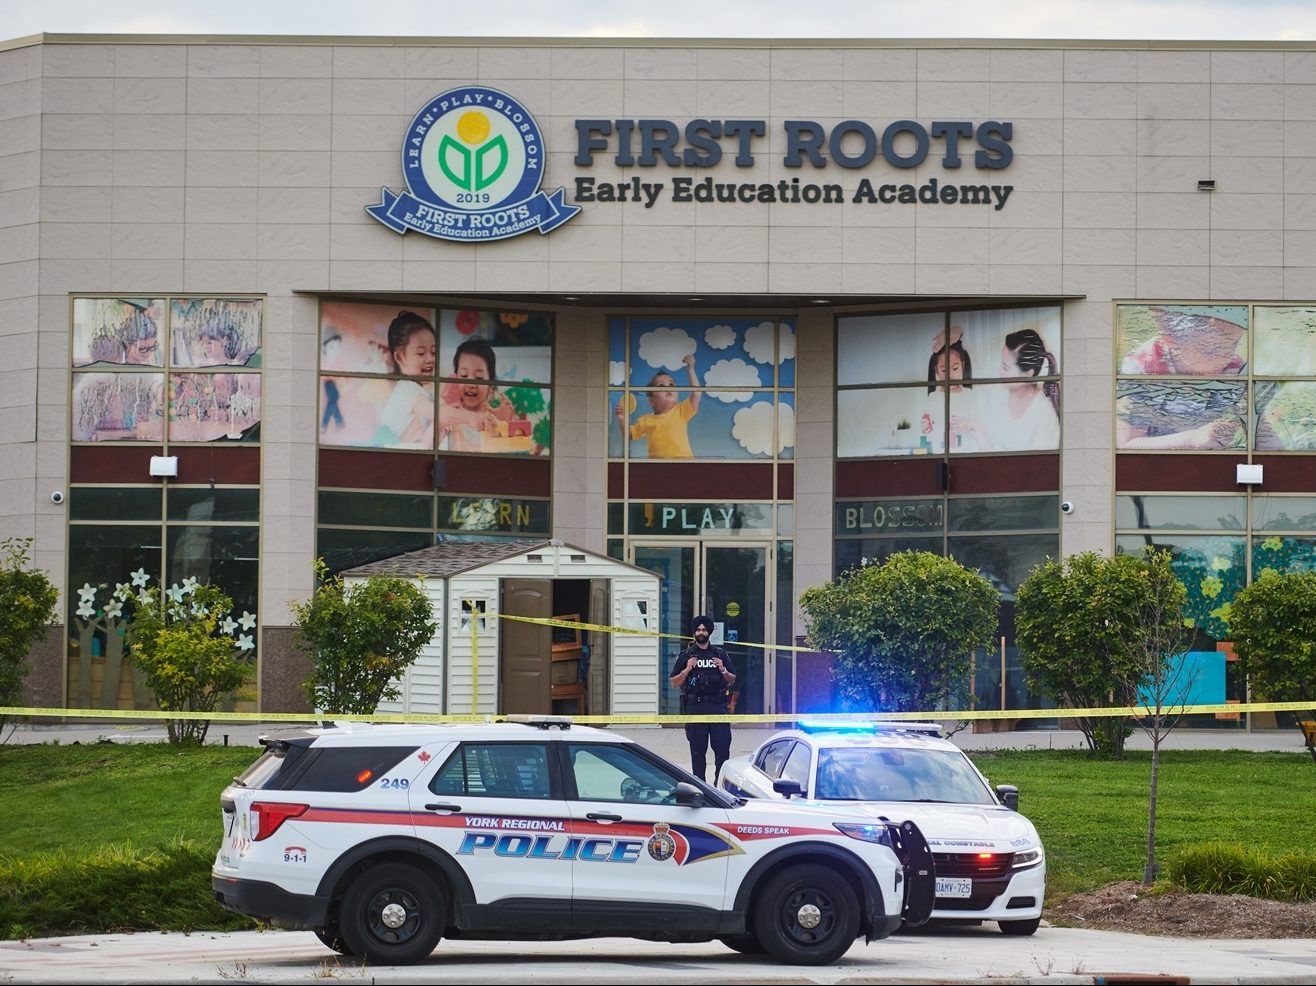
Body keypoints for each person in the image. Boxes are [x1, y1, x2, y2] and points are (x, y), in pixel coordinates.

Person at [669, 614, 736, 783]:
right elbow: (674, 682)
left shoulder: (720, 654)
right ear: (694, 633)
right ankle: (700, 788)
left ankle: (719, 786)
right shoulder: (686, 655)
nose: (701, 632)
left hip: (717, 707)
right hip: (695, 708)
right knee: (698, 752)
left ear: (709, 633)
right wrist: (687, 669)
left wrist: (722, 669)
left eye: (704, 629)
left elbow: (732, 679)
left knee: (722, 750)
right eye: (698, 629)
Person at [615, 354, 701, 458]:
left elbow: (696, 394)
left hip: (683, 462)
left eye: (671, 384)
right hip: (657, 465)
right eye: (661, 385)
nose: (668, 388)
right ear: (652, 402)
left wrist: (690, 370)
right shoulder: (646, 420)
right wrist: (621, 419)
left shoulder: (681, 411)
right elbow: (630, 434)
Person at [438, 337, 515, 451]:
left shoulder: (494, 418)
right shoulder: (452, 414)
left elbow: (510, 456)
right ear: (455, 378)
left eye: (479, 378)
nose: (471, 384)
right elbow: (430, 443)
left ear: (490, 383)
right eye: (464, 375)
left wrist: (505, 423)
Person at [1122, 305, 1247, 375]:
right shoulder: (1143, 367)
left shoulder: (1235, 368)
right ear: (1170, 340)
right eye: (1210, 350)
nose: (1223, 360)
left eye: (1233, 345)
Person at [376, 311, 436, 448]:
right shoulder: (407, 390)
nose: (430, 359)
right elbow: (441, 417)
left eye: (433, 352)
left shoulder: (417, 390)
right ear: (399, 357)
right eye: (421, 353)